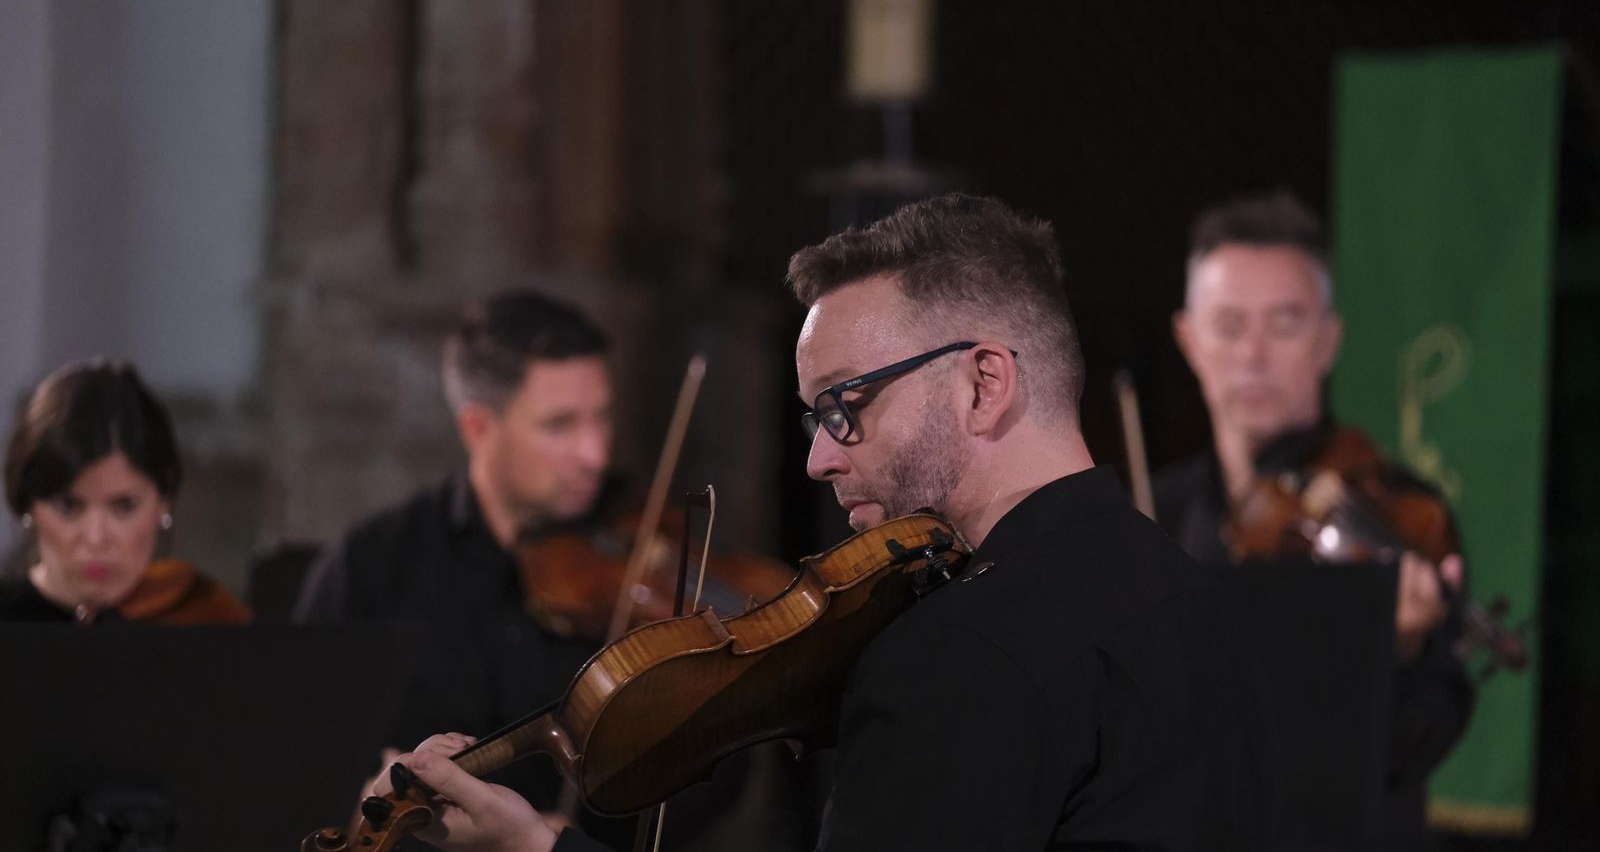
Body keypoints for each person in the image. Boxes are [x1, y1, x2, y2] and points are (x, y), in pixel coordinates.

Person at [371, 194, 1279, 852]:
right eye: (814, 416)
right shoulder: (1193, 597)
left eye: (846, 405)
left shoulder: (954, 653)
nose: (818, 458)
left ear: (983, 382)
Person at [294, 290, 762, 849]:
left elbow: (714, 769)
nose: (594, 454)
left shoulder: (640, 541)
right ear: (478, 428)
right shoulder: (371, 566)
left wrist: (571, 841)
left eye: (602, 417)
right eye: (560, 425)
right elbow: (305, 765)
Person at [1154, 191, 1474, 846]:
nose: (1253, 354)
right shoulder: (1151, 515)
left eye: (1285, 323)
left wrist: (1401, 650)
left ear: (1329, 339)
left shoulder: (1400, 513)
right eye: (1229, 325)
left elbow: (1420, 746)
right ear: (1188, 339)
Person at [0, 359, 250, 624]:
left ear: (163, 502)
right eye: (68, 506)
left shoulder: (207, 617)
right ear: (28, 504)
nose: (96, 538)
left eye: (124, 505)